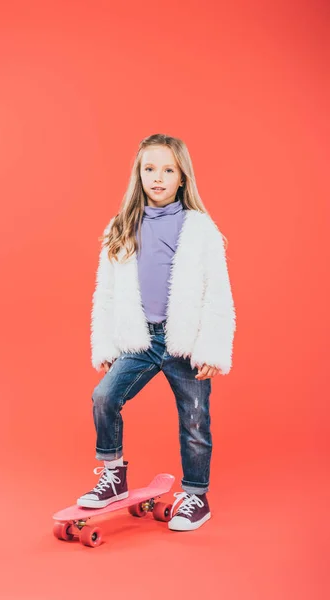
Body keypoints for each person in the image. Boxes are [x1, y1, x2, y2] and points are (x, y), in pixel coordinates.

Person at [77, 133, 236, 532]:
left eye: (168, 170)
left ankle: (196, 497)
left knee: (195, 419)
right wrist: (108, 342)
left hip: (184, 343)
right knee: (104, 396)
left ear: (182, 177)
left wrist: (212, 350)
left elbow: (218, 292)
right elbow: (107, 291)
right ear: (139, 174)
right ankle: (113, 475)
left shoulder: (200, 229)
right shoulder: (122, 226)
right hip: (141, 340)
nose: (158, 178)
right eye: (150, 169)